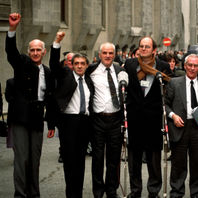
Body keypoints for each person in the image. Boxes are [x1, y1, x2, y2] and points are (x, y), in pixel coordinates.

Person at [5, 13, 55, 198]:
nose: (35, 53)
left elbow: (49, 99)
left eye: (38, 50)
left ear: (44, 52)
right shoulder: (23, 64)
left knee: (34, 159)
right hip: (20, 118)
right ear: (28, 52)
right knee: (22, 159)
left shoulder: (48, 72)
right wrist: (12, 29)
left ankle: (34, 194)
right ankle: (20, 194)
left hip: (36, 119)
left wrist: (50, 124)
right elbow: (11, 52)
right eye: (32, 50)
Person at [48, 31, 94, 198]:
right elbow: (53, 65)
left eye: (83, 63)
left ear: (87, 65)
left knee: (80, 161)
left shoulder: (89, 80)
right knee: (69, 161)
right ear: (72, 65)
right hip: (68, 122)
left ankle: (78, 193)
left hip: (84, 123)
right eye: (77, 64)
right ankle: (71, 194)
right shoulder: (65, 76)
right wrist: (57, 42)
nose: (80, 66)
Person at [124, 36, 171, 198]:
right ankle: (135, 190)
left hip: (154, 120)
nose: (143, 49)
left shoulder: (163, 67)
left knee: (154, 160)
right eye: (141, 46)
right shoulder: (130, 65)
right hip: (134, 119)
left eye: (147, 47)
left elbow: (170, 88)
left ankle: (153, 191)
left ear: (154, 50)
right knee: (134, 159)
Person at [165, 54, 198, 198]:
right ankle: (177, 193)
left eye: (195, 65)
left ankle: (196, 193)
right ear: (184, 66)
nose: (192, 68)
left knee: (197, 163)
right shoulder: (174, 82)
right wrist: (173, 116)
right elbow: (165, 104)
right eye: (189, 65)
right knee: (178, 164)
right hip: (180, 126)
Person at [86, 42, 124, 198]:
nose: (108, 56)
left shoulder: (120, 70)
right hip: (98, 120)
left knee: (114, 158)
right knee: (98, 157)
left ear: (114, 54)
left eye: (110, 53)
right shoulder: (91, 71)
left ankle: (111, 189)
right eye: (105, 53)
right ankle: (98, 190)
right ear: (99, 54)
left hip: (116, 119)